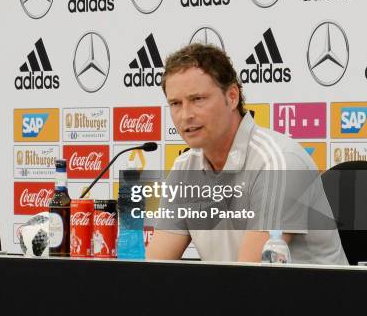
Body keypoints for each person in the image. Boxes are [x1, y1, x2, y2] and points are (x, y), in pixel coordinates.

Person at [146, 44, 347, 264]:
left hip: (311, 297)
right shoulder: (184, 168)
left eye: (198, 99)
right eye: (175, 103)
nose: (185, 115)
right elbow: (153, 270)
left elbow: (250, 278)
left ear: (232, 97)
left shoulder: (279, 161)